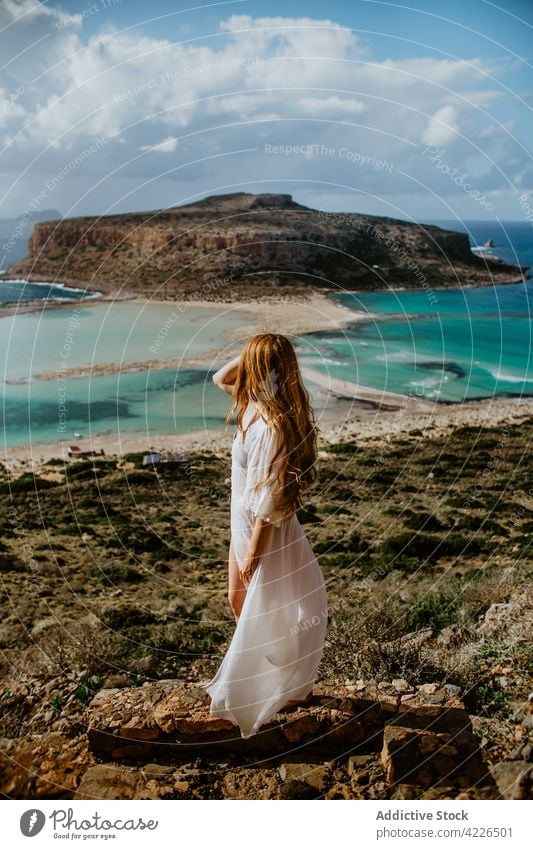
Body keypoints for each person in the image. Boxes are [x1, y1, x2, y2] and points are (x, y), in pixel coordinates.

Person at [202, 333, 328, 739]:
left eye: (254, 362)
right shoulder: (251, 405)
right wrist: (253, 351)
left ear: (266, 369)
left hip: (264, 529)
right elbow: (220, 377)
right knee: (239, 601)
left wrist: (254, 549)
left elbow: (270, 495)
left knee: (263, 607)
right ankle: (277, 680)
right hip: (241, 521)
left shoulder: (273, 424)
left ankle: (280, 687)